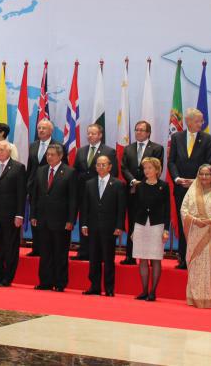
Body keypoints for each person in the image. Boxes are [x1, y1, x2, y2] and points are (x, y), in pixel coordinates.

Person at [168, 108, 211, 269]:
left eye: (201, 121)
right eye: (198, 121)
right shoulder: (176, 137)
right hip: (181, 188)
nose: (201, 124)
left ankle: (197, 258)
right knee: (184, 224)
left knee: (198, 225)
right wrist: (177, 179)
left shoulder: (208, 139)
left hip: (200, 189)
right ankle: (183, 257)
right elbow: (171, 161)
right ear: (188, 121)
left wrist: (197, 181)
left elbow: (209, 164)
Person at [180, 164, 211, 308]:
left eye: (207, 174)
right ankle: (193, 297)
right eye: (201, 174)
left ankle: (208, 298)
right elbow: (183, 210)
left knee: (210, 264)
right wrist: (195, 220)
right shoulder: (191, 192)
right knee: (195, 263)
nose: (204, 177)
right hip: (195, 230)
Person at [31, 143, 76, 291]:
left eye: (52, 155)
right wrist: (33, 215)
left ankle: (60, 283)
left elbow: (73, 199)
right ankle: (45, 281)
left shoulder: (69, 172)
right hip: (43, 219)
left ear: (60, 156)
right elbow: (35, 195)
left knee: (60, 253)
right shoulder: (40, 171)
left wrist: (71, 220)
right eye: (48, 154)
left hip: (61, 221)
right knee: (45, 253)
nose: (49, 157)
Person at [0, 139, 27, 287]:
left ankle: (8, 277)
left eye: (1, 150)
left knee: (10, 247)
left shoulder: (18, 168)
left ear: (9, 151)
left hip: (11, 215)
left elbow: (21, 193)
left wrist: (19, 214)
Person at [81, 154, 125, 296]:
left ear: (110, 167)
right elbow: (85, 206)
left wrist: (119, 226)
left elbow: (121, 208)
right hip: (93, 226)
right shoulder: (89, 184)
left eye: (103, 164)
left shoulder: (117, 184)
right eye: (98, 165)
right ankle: (94, 287)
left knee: (108, 259)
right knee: (94, 258)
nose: (100, 167)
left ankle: (109, 288)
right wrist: (84, 224)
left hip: (110, 227)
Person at [121, 121, 164, 265]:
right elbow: (124, 168)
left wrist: (143, 184)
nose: (138, 132)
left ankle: (151, 256)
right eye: (136, 129)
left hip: (150, 192)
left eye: (141, 130)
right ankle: (130, 256)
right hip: (132, 191)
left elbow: (157, 168)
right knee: (133, 222)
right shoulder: (128, 148)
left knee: (150, 223)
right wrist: (133, 181)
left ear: (148, 133)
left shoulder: (157, 148)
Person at [73, 124, 118, 261]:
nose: (90, 136)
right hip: (83, 192)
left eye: (93, 133)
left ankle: (100, 254)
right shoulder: (81, 150)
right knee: (84, 221)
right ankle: (84, 252)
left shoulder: (109, 151)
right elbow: (76, 171)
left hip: (101, 193)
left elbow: (114, 173)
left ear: (100, 135)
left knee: (99, 223)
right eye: (88, 133)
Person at [131, 157, 171, 301]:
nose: (146, 171)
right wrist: (134, 229)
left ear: (157, 170)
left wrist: (166, 229)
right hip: (141, 225)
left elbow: (167, 209)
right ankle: (144, 291)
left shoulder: (163, 186)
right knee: (142, 258)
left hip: (157, 225)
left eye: (149, 168)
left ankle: (153, 292)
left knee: (155, 258)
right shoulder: (140, 186)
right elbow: (135, 208)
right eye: (145, 168)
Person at [27, 119, 58, 257]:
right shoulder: (33, 145)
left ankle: (48, 248)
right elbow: (30, 167)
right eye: (39, 128)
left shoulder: (58, 146)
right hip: (34, 188)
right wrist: (27, 185)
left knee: (48, 218)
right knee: (34, 217)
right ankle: (36, 248)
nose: (40, 130)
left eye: (44, 128)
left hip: (50, 188)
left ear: (51, 131)